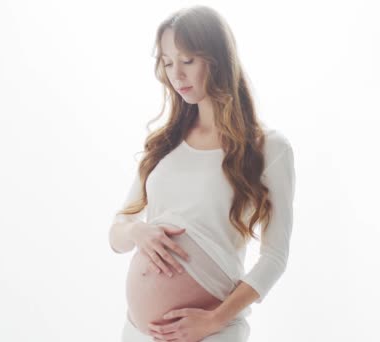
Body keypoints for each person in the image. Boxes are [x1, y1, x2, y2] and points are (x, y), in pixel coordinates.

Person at [108, 5, 296, 342]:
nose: (176, 75)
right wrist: (138, 231)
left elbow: (275, 257)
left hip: (212, 333)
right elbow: (116, 233)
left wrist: (214, 319)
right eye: (167, 63)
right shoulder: (163, 144)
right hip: (138, 333)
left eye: (187, 61)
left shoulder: (267, 147)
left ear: (217, 58)